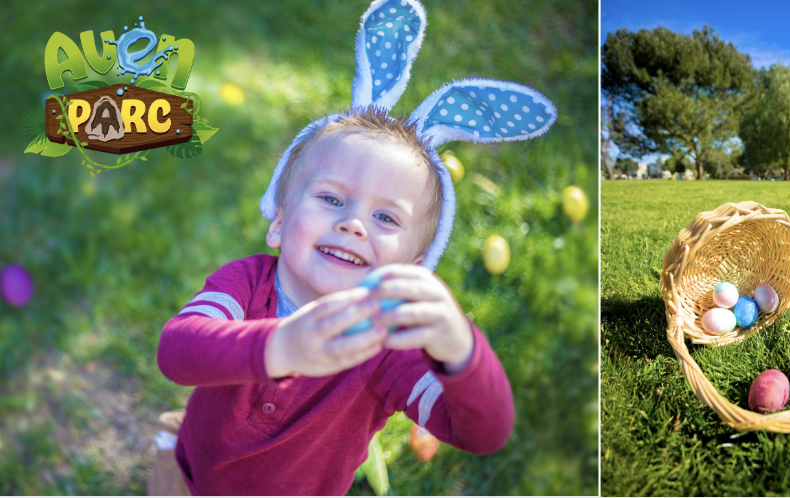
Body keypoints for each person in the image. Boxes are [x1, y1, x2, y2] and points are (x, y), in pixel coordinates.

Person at [152, 0, 557, 494]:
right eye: (331, 199)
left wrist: (460, 349)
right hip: (190, 476)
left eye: (385, 217)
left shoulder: (390, 349)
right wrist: (280, 345)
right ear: (278, 220)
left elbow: (482, 433)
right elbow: (177, 351)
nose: (353, 224)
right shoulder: (247, 284)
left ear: (414, 268)